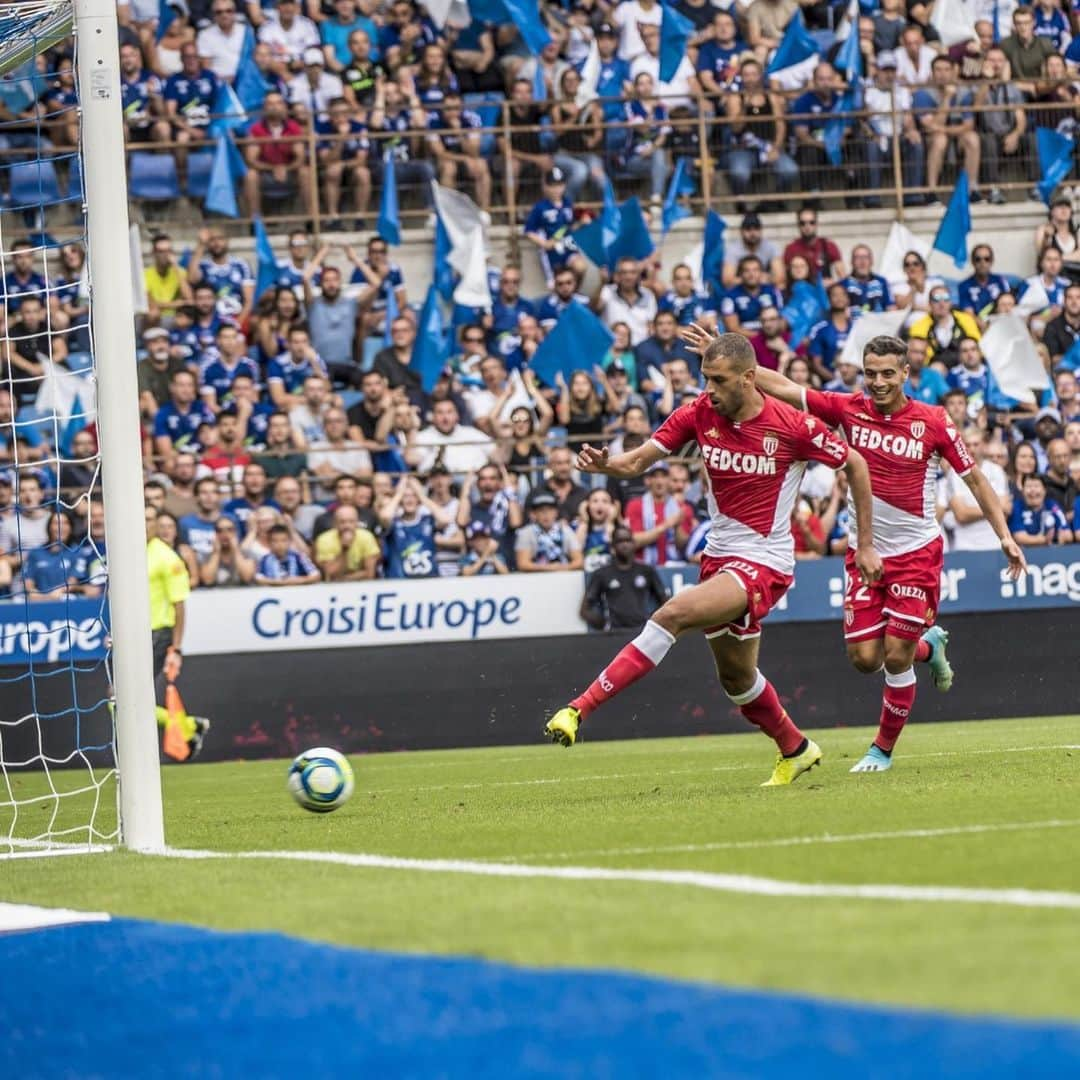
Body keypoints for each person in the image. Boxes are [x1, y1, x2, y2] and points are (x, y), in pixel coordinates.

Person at [544, 332, 880, 788]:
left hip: (764, 561)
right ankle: (796, 748)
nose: (709, 390)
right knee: (737, 679)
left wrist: (864, 543)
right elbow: (637, 462)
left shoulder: (793, 425)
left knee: (673, 613)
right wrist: (608, 465)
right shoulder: (699, 413)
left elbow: (856, 465)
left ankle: (578, 709)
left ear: (748, 378)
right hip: (718, 558)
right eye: (705, 379)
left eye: (718, 380)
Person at [728, 330, 1026, 773]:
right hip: (864, 555)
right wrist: (734, 361)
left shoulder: (934, 420)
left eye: (888, 373)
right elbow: (786, 388)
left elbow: (975, 479)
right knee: (865, 660)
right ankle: (930, 646)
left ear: (906, 373)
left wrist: (1004, 534)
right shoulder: (848, 408)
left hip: (917, 554)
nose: (879, 381)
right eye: (870, 373)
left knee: (894, 654)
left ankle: (881, 750)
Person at [580, 525, 669, 631]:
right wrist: (603, 625)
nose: (624, 545)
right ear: (612, 545)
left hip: (642, 633)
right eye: (620, 541)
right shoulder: (602, 574)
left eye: (628, 540)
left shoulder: (647, 571)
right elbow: (584, 610)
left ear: (634, 543)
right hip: (614, 633)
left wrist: (651, 623)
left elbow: (665, 602)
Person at [940, 427, 1012, 551]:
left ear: (983, 445)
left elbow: (1005, 512)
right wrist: (993, 508)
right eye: (967, 444)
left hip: (995, 543)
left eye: (976, 444)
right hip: (965, 546)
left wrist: (973, 511)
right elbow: (961, 515)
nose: (972, 449)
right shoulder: (954, 473)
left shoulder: (996, 470)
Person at [625, 461, 694, 566]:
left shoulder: (682, 508)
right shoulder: (635, 505)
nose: (659, 481)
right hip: (643, 567)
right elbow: (634, 541)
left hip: (673, 568)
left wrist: (677, 526)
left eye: (664, 476)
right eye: (655, 476)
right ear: (647, 480)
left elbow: (683, 546)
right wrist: (665, 525)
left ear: (669, 480)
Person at [379, 475, 448, 579]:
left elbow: (445, 519)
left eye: (413, 496)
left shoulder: (428, 520)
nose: (409, 500)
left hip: (429, 581)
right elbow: (384, 516)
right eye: (406, 496)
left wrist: (422, 496)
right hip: (400, 582)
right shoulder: (393, 523)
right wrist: (398, 494)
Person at [515, 490, 584, 572]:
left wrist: (562, 568)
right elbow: (523, 564)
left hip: (563, 577)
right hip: (535, 579)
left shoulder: (565, 530)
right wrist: (550, 568)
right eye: (541, 510)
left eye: (550, 510)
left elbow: (579, 561)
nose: (546, 514)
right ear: (534, 514)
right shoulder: (526, 533)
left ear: (556, 512)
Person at [314, 504, 380, 581]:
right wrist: (344, 550)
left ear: (357, 523)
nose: (347, 526)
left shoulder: (367, 537)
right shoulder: (324, 540)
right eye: (342, 522)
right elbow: (331, 574)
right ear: (335, 524)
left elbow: (370, 574)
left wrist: (343, 578)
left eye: (351, 521)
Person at [1009, 474, 1073, 544]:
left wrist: (1062, 536)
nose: (1032, 490)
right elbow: (1019, 537)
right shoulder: (1017, 507)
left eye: (1036, 486)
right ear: (1023, 490)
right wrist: (1044, 540)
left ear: (1044, 490)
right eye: (1029, 486)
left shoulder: (1052, 505)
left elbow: (1068, 534)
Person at [256, 523, 321, 585]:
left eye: (283, 540)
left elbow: (316, 575)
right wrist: (279, 582)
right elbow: (258, 578)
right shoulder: (265, 559)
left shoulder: (299, 557)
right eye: (275, 541)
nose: (280, 544)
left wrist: (298, 580)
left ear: (290, 541)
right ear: (269, 543)